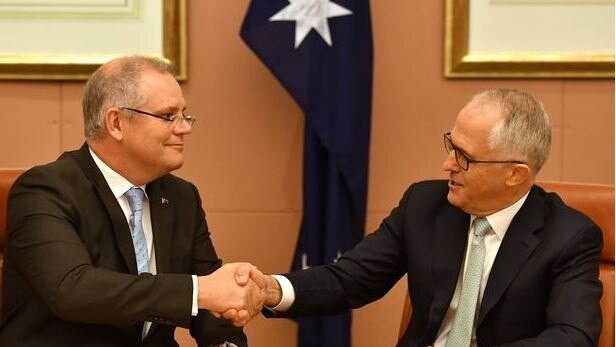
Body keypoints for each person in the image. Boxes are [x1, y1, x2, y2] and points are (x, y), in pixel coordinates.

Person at [239, 89, 603, 346]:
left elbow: (572, 336)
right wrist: (273, 289)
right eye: (451, 145)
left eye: (464, 157)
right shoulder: (425, 204)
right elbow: (350, 279)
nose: (447, 165)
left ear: (515, 174)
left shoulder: (569, 236)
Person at [0, 56, 265, 347]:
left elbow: (212, 303)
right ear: (116, 123)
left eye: (184, 115)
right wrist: (198, 291)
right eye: (168, 116)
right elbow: (73, 290)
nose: (185, 128)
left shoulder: (181, 197)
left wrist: (224, 341)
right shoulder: (45, 190)